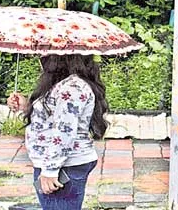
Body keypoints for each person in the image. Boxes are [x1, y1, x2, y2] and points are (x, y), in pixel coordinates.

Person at [7, 54, 108, 210]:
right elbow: (55, 117)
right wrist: (27, 106)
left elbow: (64, 131)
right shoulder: (64, 84)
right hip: (57, 163)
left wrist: (50, 170)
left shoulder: (72, 88)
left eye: (44, 52)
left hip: (63, 166)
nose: (40, 57)